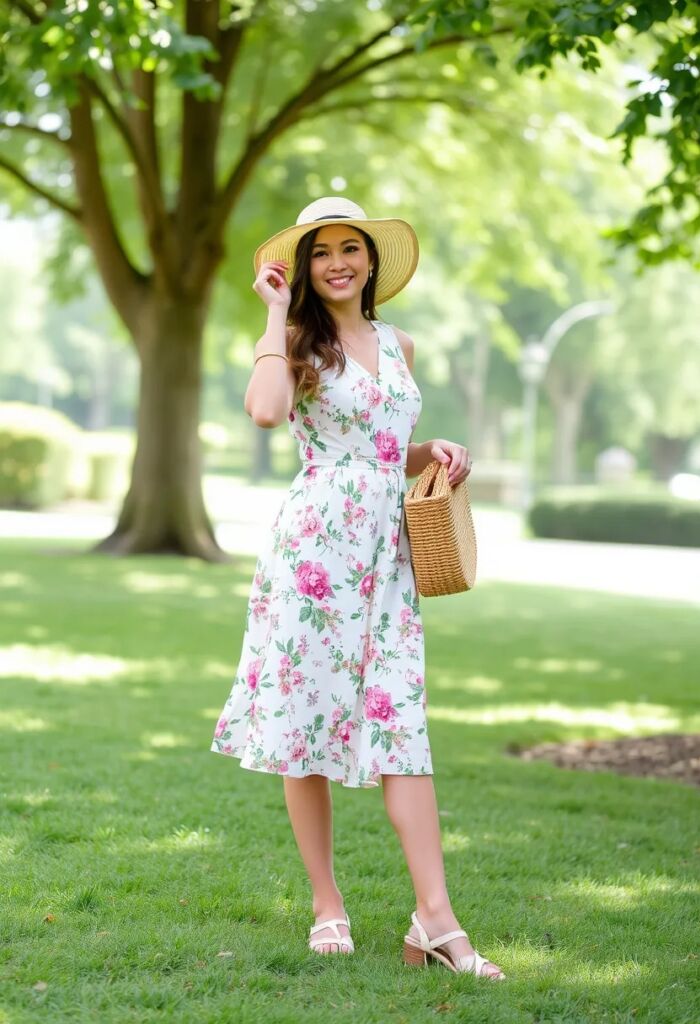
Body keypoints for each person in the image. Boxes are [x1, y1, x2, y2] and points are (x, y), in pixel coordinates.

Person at [210, 197, 505, 980]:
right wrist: (274, 314)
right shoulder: (296, 340)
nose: (336, 261)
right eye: (319, 252)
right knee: (305, 721)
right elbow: (268, 414)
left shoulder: (399, 342)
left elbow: (378, 445)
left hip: (389, 554)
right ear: (303, 268)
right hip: (316, 550)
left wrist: (425, 450)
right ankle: (325, 903)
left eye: (350, 247)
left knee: (399, 723)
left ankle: (435, 920)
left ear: (372, 261)